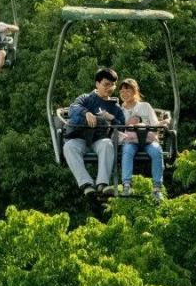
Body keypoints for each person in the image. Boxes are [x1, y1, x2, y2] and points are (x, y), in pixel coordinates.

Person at [62, 68, 126, 199]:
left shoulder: (115, 107)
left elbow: (122, 127)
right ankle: (86, 184)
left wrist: (111, 118)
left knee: (107, 144)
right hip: (81, 138)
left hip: (99, 139)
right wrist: (86, 113)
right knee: (69, 147)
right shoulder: (86, 98)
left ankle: (102, 183)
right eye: (106, 84)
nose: (110, 88)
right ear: (97, 84)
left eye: (113, 85)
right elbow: (73, 108)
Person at [118, 77, 165, 201]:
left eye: (127, 90)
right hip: (131, 141)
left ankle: (157, 187)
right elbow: (118, 129)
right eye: (122, 91)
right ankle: (126, 184)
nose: (124, 93)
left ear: (135, 91)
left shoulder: (145, 106)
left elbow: (155, 124)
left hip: (148, 141)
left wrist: (146, 124)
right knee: (127, 151)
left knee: (156, 151)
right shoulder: (120, 110)